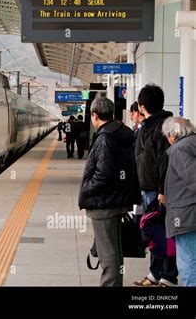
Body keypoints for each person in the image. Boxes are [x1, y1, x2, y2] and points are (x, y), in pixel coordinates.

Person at [78, 98, 140, 287]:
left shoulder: (105, 138)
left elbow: (103, 174)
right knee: (114, 252)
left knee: (108, 255)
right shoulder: (120, 132)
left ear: (94, 116)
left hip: (104, 203)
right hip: (116, 201)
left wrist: (86, 190)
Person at [133, 83, 178, 287]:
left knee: (163, 233)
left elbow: (164, 161)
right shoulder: (148, 126)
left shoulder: (163, 127)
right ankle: (155, 273)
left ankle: (168, 276)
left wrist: (162, 191)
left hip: (157, 191)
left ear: (142, 106)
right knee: (153, 233)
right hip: (147, 189)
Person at [161, 117, 196, 286]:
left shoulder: (179, 149)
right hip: (189, 210)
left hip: (186, 213)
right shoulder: (192, 143)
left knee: (188, 259)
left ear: (173, 135)